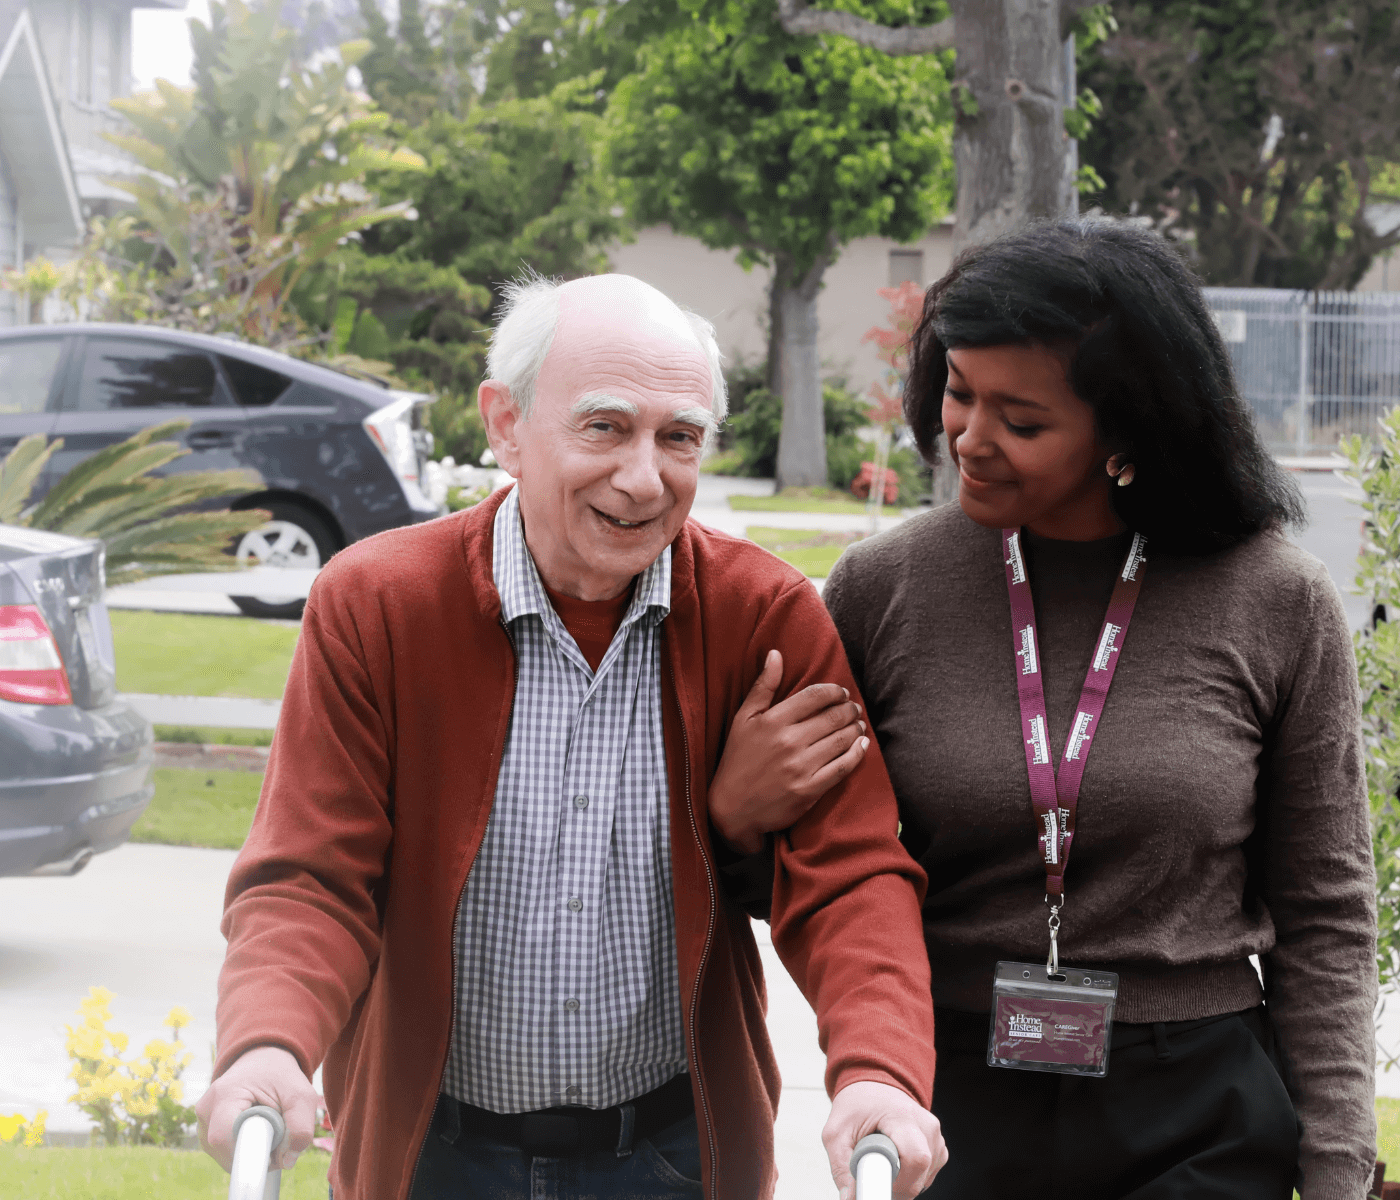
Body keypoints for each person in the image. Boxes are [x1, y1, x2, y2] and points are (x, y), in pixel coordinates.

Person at [195, 273, 947, 1200]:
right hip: (433, 1153)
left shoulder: (765, 617)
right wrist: (268, 1043)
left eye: (680, 437)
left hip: (672, 1152)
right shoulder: (377, 606)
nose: (644, 477)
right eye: (604, 426)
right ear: (505, 425)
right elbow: (312, 875)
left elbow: (850, 875)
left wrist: (878, 1069)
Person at [823, 220, 1378, 1199]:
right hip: (951, 1106)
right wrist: (741, 810)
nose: (968, 439)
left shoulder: (1274, 599)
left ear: (1126, 430)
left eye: (1020, 420)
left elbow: (1323, 911)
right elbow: (810, 874)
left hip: (1195, 1116)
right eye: (956, 392)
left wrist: (1333, 1167)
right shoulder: (880, 589)